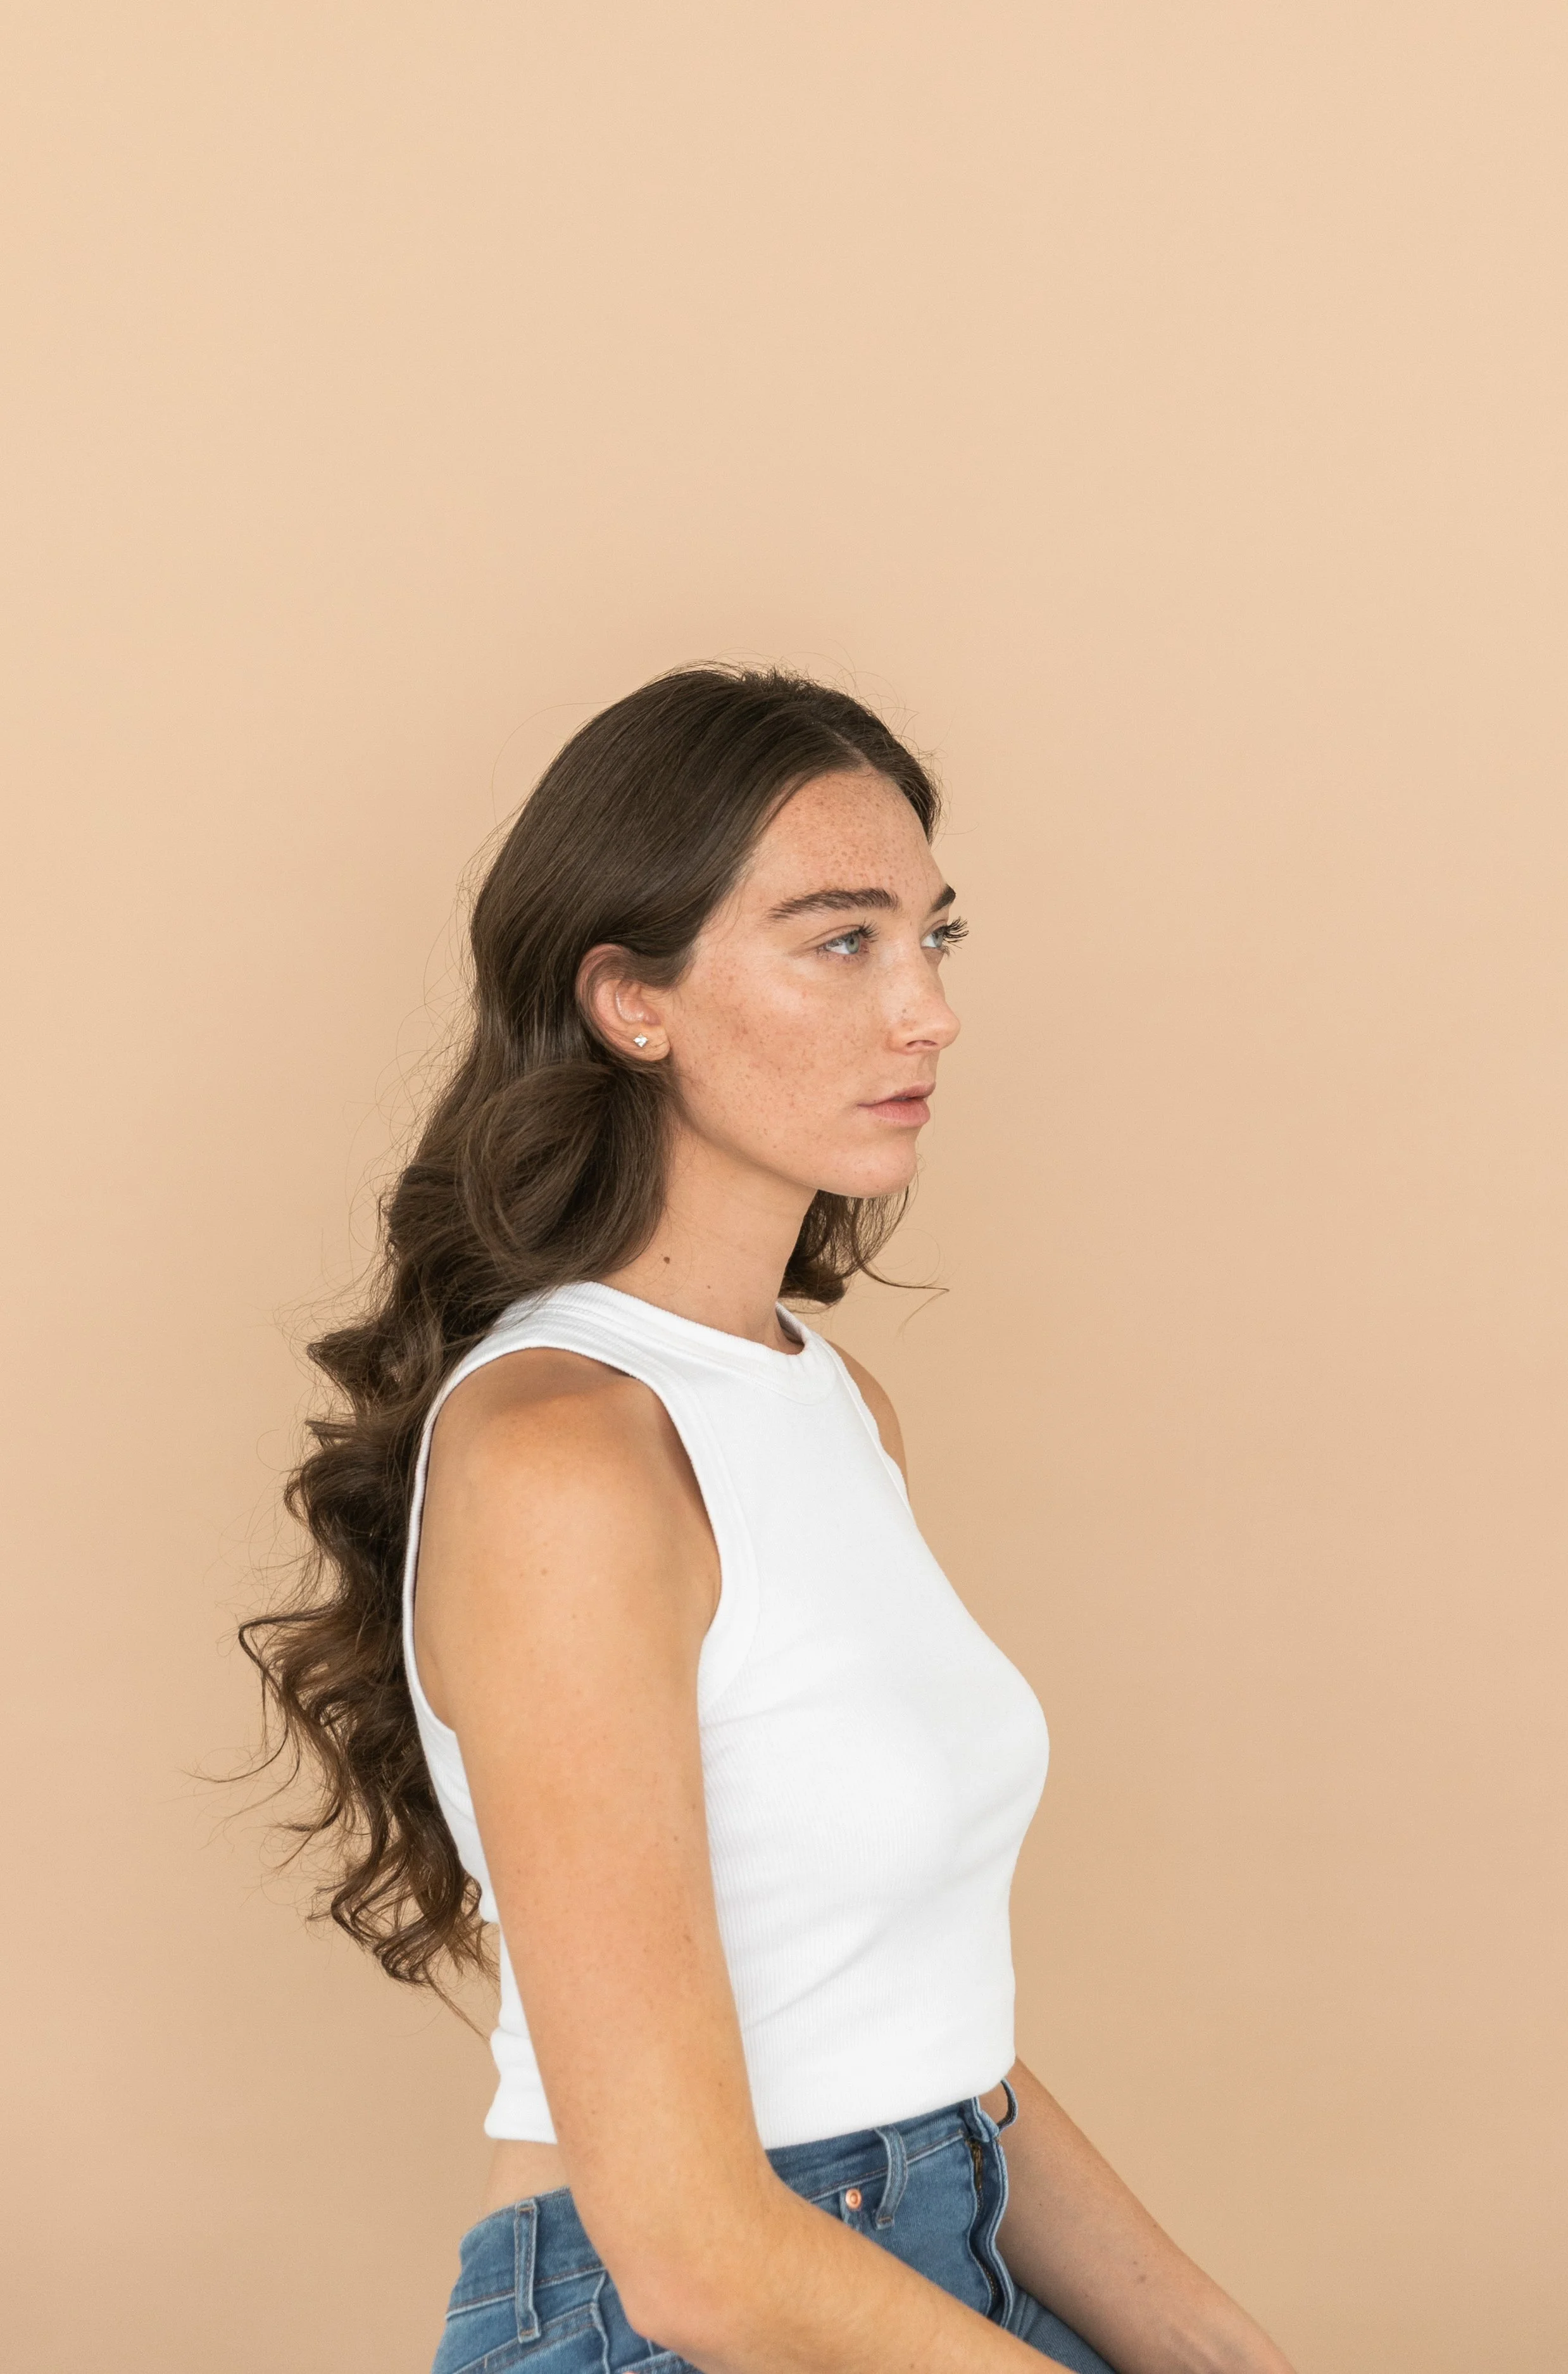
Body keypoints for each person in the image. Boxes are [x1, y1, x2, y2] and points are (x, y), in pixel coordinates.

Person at [244, 666, 1299, 2373]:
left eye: (930, 938)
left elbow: (932, 2045)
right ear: (630, 1000)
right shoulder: (563, 1452)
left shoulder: (821, 1399)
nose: (925, 1009)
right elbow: (689, 2252)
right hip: (670, 2321)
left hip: (925, 2260)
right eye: (838, 939)